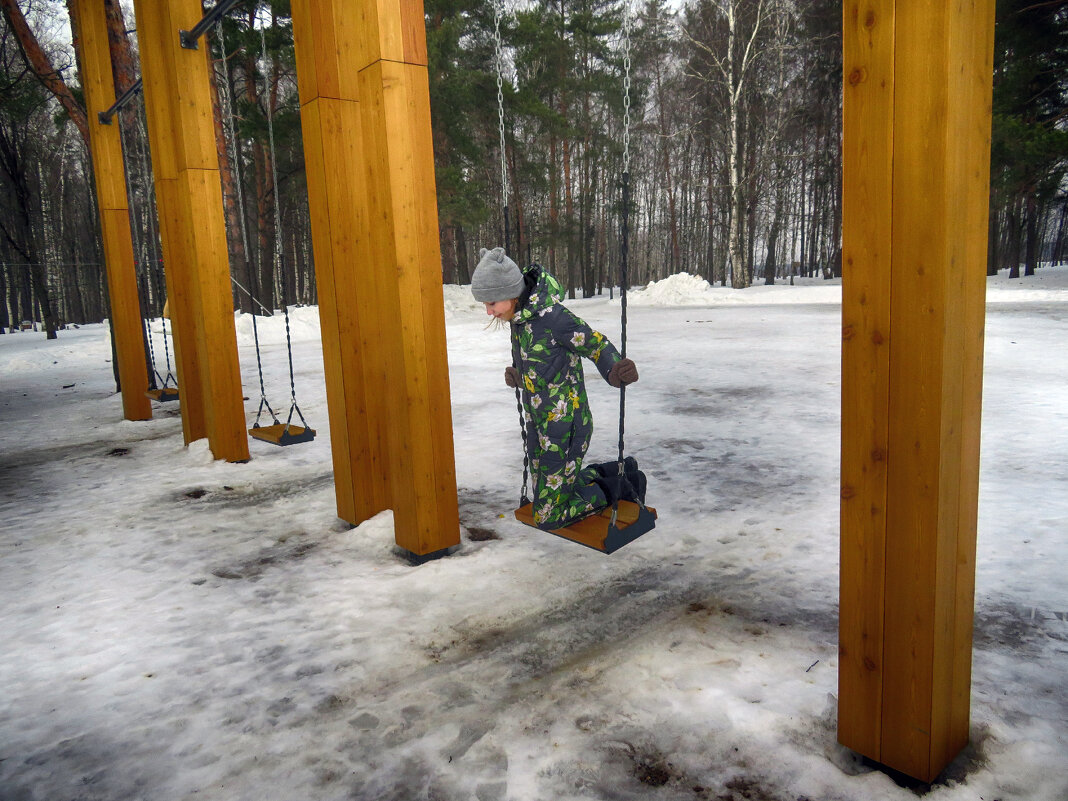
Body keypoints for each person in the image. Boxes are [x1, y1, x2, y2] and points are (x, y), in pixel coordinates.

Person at [471, 246, 647, 530]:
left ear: (511, 293)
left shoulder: (554, 318)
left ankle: (621, 488)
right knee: (548, 486)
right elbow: (539, 357)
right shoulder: (520, 318)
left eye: (491, 303)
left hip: (566, 427)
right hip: (540, 424)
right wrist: (519, 374)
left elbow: (595, 343)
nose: (488, 311)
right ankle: (611, 470)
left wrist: (616, 369)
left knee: (548, 515)